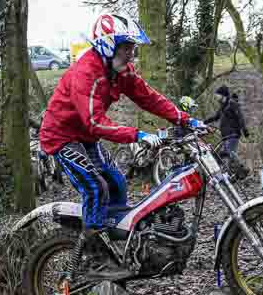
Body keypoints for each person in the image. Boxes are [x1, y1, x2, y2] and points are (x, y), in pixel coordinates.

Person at [39, 12, 202, 244]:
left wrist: (183, 119)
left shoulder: (121, 70)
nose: (131, 53)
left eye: (132, 47)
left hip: (86, 136)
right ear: (108, 46)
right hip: (61, 137)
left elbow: (148, 97)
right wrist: (137, 135)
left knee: (117, 182)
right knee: (96, 188)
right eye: (126, 47)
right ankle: (94, 248)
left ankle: (117, 240)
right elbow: (95, 122)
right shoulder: (86, 73)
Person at [205, 85, 248, 158]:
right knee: (220, 156)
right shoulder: (223, 106)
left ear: (223, 95)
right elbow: (216, 117)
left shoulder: (232, 104)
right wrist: (204, 122)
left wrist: (244, 130)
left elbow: (240, 117)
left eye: (218, 95)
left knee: (228, 155)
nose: (216, 97)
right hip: (225, 136)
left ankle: (234, 163)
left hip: (233, 135)